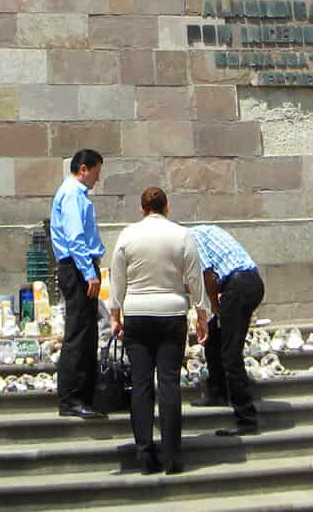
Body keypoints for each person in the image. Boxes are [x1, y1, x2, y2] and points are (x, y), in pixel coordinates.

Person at [110, 188, 207, 475]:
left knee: (140, 385)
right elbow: (195, 278)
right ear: (167, 207)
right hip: (171, 312)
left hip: (137, 314)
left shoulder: (127, 235)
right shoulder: (181, 235)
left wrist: (115, 315)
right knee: (168, 384)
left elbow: (117, 280)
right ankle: (172, 456)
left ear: (142, 209)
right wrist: (202, 315)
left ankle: (144, 455)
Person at [191, 223, 264, 435]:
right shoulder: (202, 231)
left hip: (238, 285)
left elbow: (208, 275)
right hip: (248, 282)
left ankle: (246, 418)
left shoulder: (190, 239)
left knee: (231, 353)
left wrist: (213, 304)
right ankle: (217, 389)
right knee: (214, 334)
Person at [49, 148, 106, 420]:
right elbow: (75, 238)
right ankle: (72, 397)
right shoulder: (72, 194)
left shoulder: (75, 194)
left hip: (79, 267)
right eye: (96, 172)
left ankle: (82, 395)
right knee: (79, 332)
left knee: (86, 331)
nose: (97, 178)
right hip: (77, 267)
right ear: (83, 169)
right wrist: (89, 272)